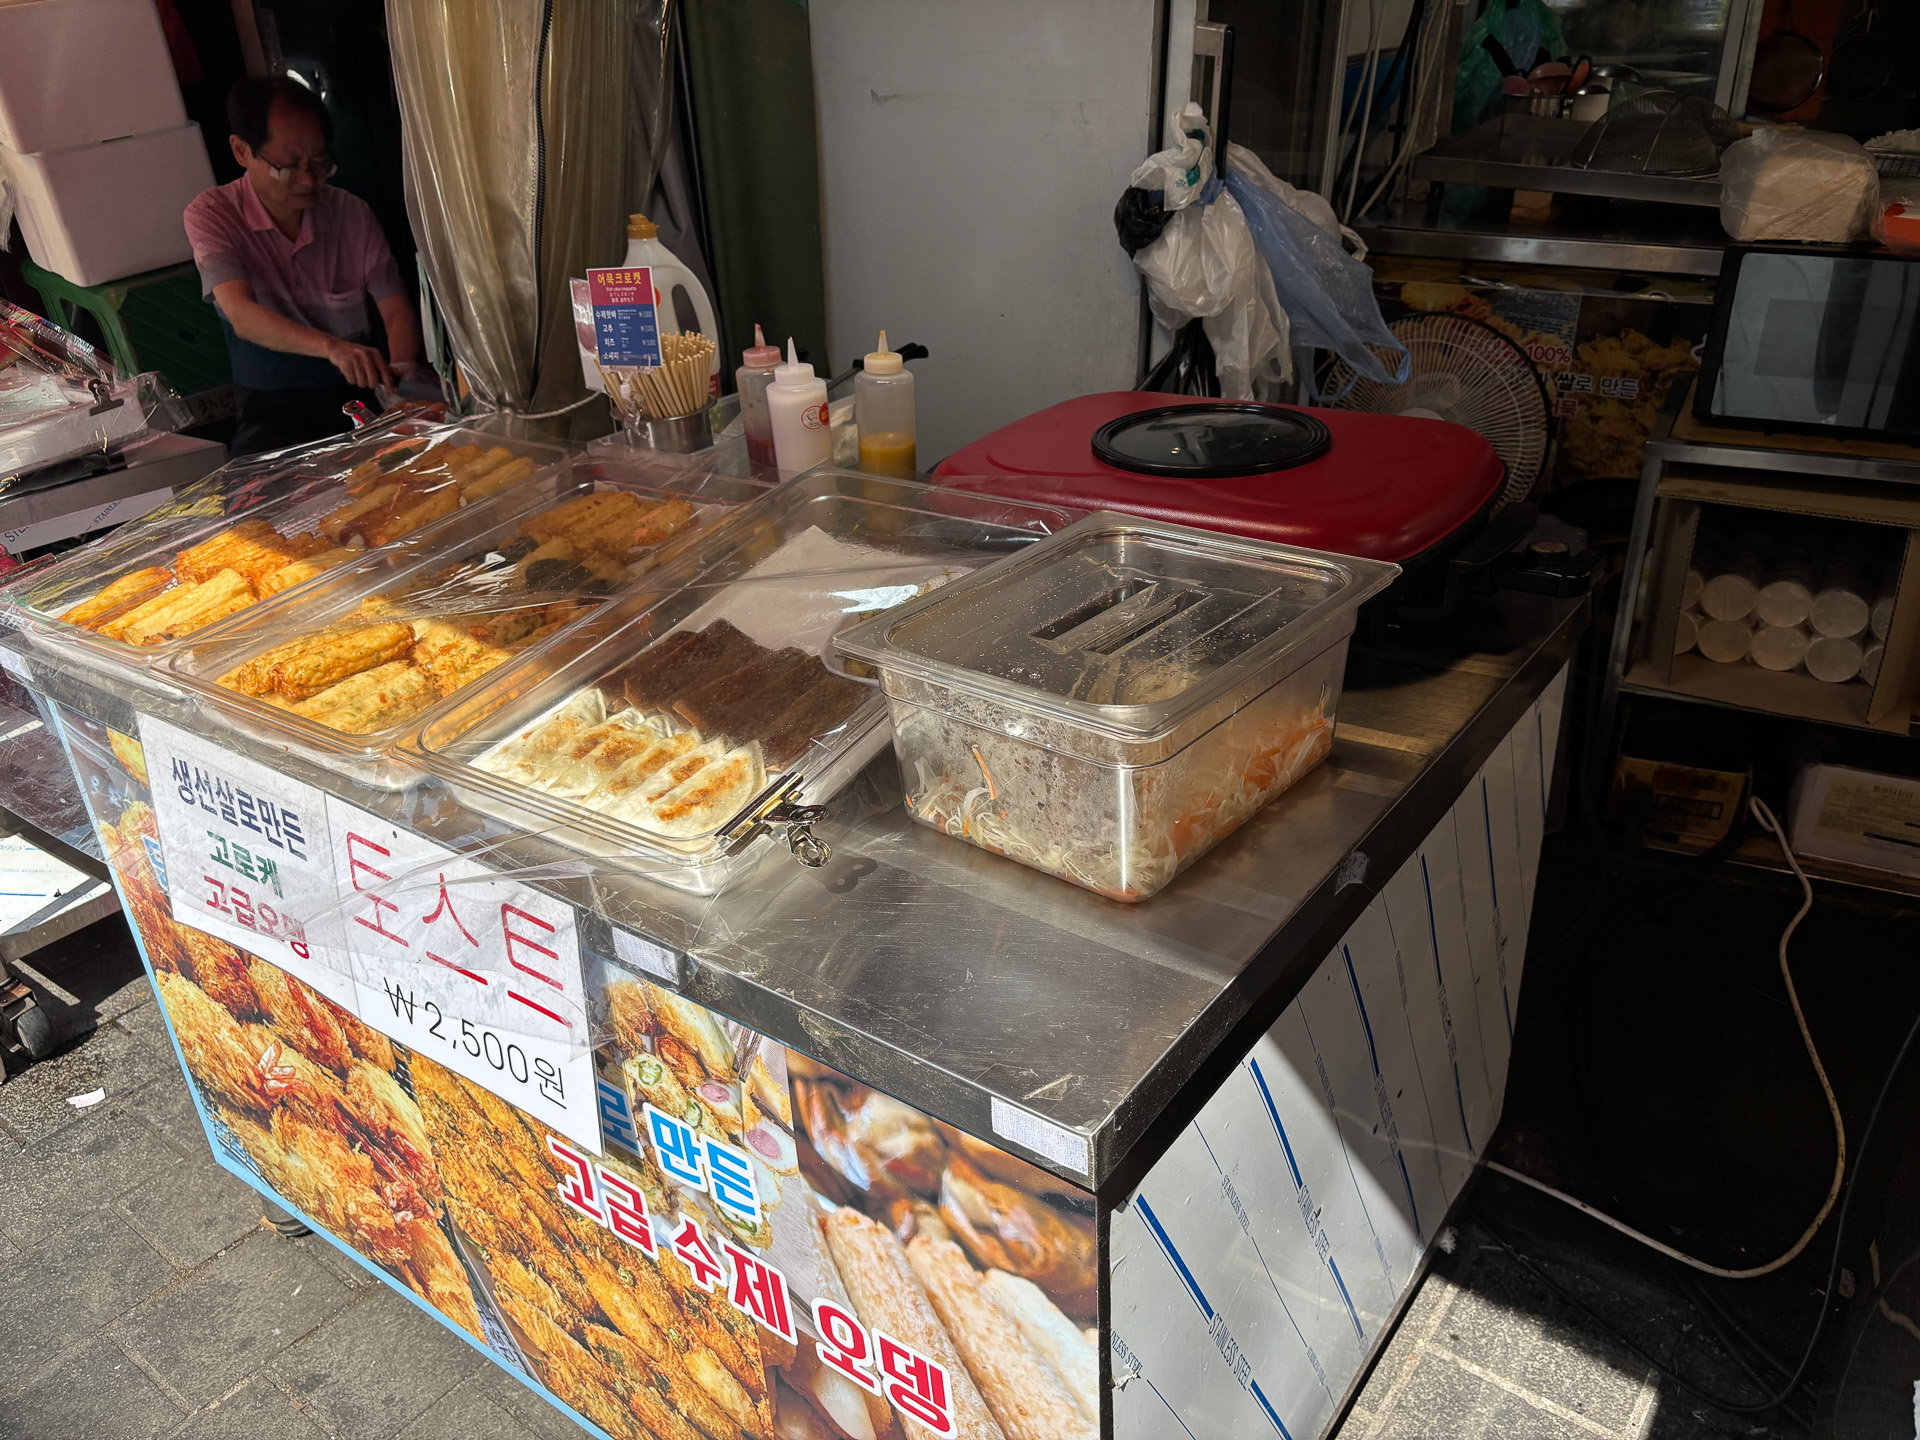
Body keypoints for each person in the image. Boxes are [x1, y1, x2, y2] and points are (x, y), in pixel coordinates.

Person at [184, 77, 421, 457]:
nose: (309, 180)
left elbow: (394, 308)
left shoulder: (352, 213)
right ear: (242, 151)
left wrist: (402, 382)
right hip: (273, 404)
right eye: (289, 167)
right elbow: (241, 314)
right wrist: (332, 347)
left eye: (319, 163)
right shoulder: (213, 214)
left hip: (361, 386)